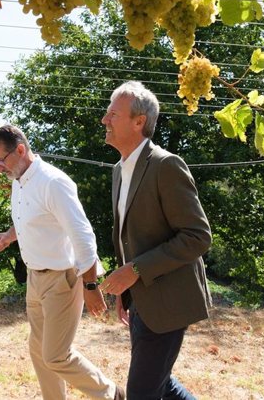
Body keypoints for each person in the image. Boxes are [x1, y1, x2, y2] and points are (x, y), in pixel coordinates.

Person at [0, 124, 125, 400]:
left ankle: (113, 395)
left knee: (55, 355)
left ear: (21, 150)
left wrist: (90, 286)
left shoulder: (53, 182)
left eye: (1, 160)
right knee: (39, 352)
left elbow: (83, 235)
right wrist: (9, 236)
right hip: (35, 279)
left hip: (63, 279)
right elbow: (31, 220)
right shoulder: (19, 181)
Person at [98, 81, 211, 400]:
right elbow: (128, 237)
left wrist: (133, 271)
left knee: (142, 392)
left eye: (112, 113)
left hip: (169, 301)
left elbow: (197, 236)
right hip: (141, 300)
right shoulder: (120, 170)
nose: (105, 120)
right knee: (159, 384)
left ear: (138, 121)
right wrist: (127, 288)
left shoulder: (166, 166)